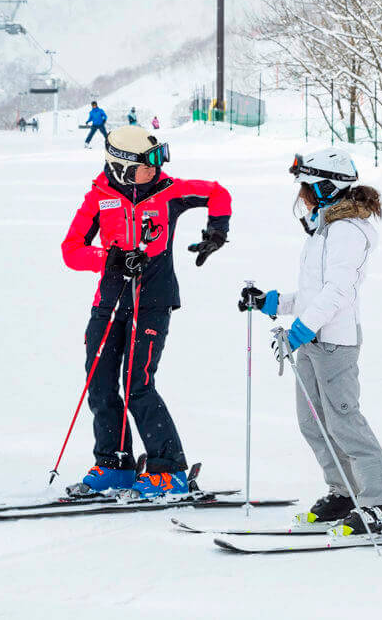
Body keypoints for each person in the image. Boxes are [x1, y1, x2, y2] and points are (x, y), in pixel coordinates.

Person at [61, 125, 231, 498]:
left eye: (158, 160)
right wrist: (110, 258)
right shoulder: (99, 197)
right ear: (121, 167)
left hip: (152, 302)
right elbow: (71, 250)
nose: (155, 169)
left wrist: (216, 232)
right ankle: (115, 464)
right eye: (146, 163)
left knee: (139, 384)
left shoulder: (170, 191)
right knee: (101, 383)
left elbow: (218, 193)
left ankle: (167, 469)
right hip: (109, 305)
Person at [240, 148, 382, 536]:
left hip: (335, 344)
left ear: (328, 187)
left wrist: (300, 329)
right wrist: (274, 302)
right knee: (313, 424)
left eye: (309, 187)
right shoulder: (324, 228)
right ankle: (345, 491)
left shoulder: (348, 231)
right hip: (314, 337)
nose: (305, 196)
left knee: (345, 422)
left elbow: (339, 292)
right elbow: (316, 292)